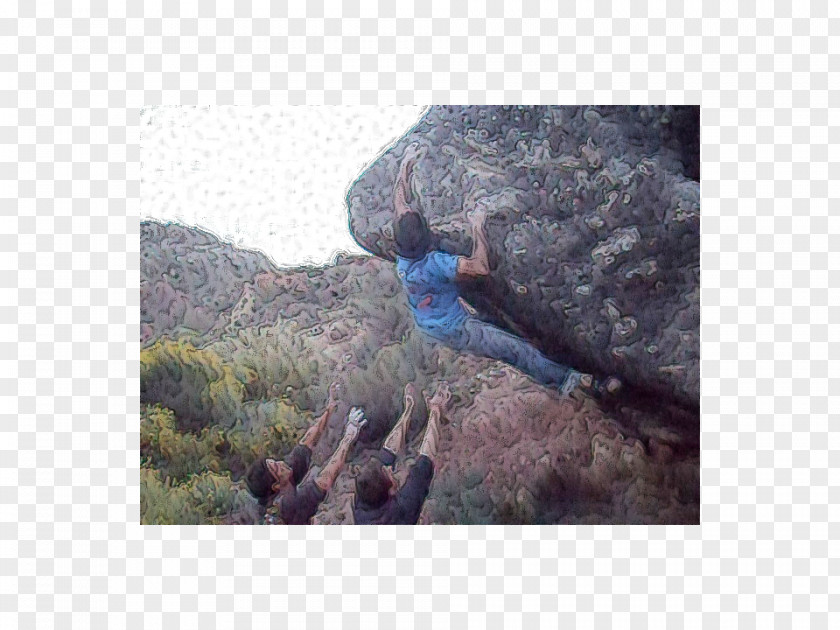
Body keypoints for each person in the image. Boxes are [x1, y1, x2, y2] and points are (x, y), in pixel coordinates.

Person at [391, 143, 620, 398]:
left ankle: (557, 369)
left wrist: (405, 164)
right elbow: (481, 268)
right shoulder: (435, 264)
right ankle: (571, 381)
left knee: (500, 327)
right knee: (517, 349)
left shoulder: (404, 260)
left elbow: (399, 200)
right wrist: (477, 227)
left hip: (430, 325)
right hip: (457, 329)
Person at [245, 383, 367, 524]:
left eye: (275, 461)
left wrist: (330, 407)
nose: (282, 462)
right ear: (276, 486)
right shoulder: (290, 504)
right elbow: (326, 478)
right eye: (277, 468)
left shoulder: (285, 473)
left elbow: (307, 442)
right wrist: (349, 436)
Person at [353, 382, 450, 525]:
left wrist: (408, 411)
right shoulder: (402, 511)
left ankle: (408, 411)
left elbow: (387, 452)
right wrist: (435, 410)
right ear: (392, 491)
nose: (389, 468)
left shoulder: (363, 501)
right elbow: (425, 460)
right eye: (388, 472)